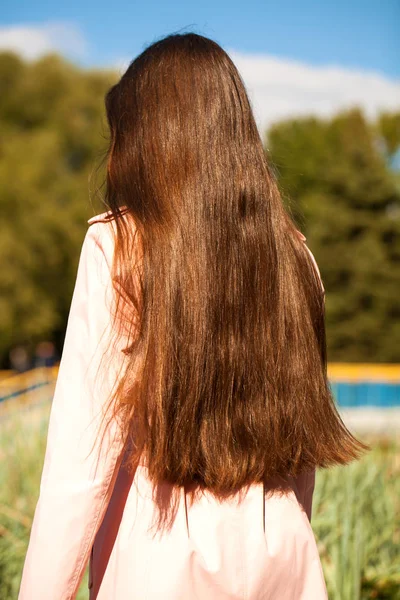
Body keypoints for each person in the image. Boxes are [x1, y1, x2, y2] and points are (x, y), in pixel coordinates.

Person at [18, 32, 366, 599]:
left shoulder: (118, 247)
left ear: (147, 138)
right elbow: (298, 445)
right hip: (284, 553)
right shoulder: (297, 256)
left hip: (158, 564)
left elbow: (79, 467)